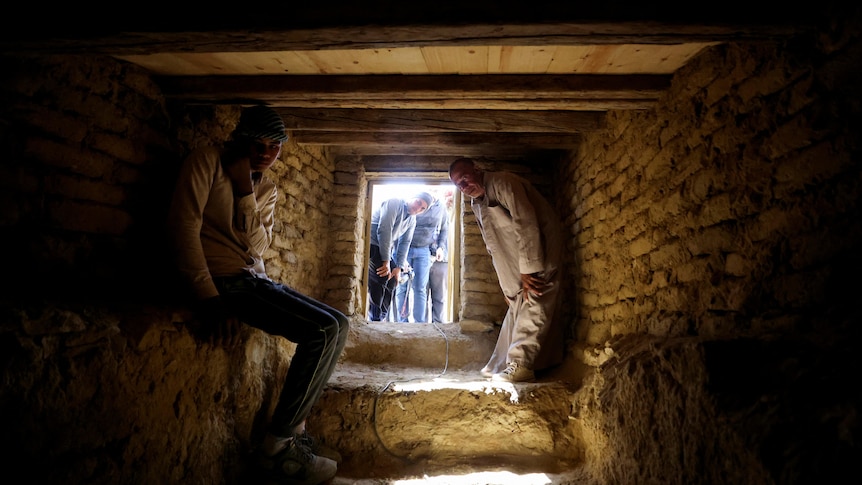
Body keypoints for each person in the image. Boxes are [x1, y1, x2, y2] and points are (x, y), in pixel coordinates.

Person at [167, 105, 348, 485]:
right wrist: (208, 296)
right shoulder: (206, 162)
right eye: (258, 144)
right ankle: (278, 448)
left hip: (253, 278)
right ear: (239, 139)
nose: (265, 154)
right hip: (225, 281)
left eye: (274, 147)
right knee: (320, 331)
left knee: (339, 323)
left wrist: (245, 189)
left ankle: (294, 433)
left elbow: (259, 247)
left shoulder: (264, 187)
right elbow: (183, 227)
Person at [448, 157, 564, 383]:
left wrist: (530, 269)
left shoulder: (504, 183)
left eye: (464, 178)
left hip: (541, 251)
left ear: (477, 170)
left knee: (535, 298)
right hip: (516, 261)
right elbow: (493, 246)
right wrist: (508, 284)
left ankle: (521, 364)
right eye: (457, 184)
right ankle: (508, 364)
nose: (462, 186)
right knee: (517, 304)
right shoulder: (476, 203)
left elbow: (526, 222)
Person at [367, 192, 432, 321]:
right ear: (412, 197)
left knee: (393, 280)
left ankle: (382, 316)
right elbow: (384, 230)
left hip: (384, 249)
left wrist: (398, 267)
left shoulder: (412, 220)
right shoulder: (394, 203)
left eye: (422, 208)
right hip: (372, 244)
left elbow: (405, 243)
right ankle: (374, 318)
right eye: (418, 202)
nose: (418, 208)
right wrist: (386, 261)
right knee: (382, 276)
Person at [395, 189, 449, 323]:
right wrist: (399, 255)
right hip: (404, 248)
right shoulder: (415, 204)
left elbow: (444, 228)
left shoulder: (440, 208)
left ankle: (420, 324)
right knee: (402, 286)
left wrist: (441, 247)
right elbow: (398, 228)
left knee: (420, 288)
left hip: (424, 250)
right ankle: (403, 322)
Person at [428, 188, 455, 323]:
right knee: (420, 293)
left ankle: (438, 324)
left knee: (439, 296)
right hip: (426, 255)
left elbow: (445, 233)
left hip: (442, 259)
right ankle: (421, 325)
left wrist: (441, 248)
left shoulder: (451, 214)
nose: (448, 198)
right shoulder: (432, 211)